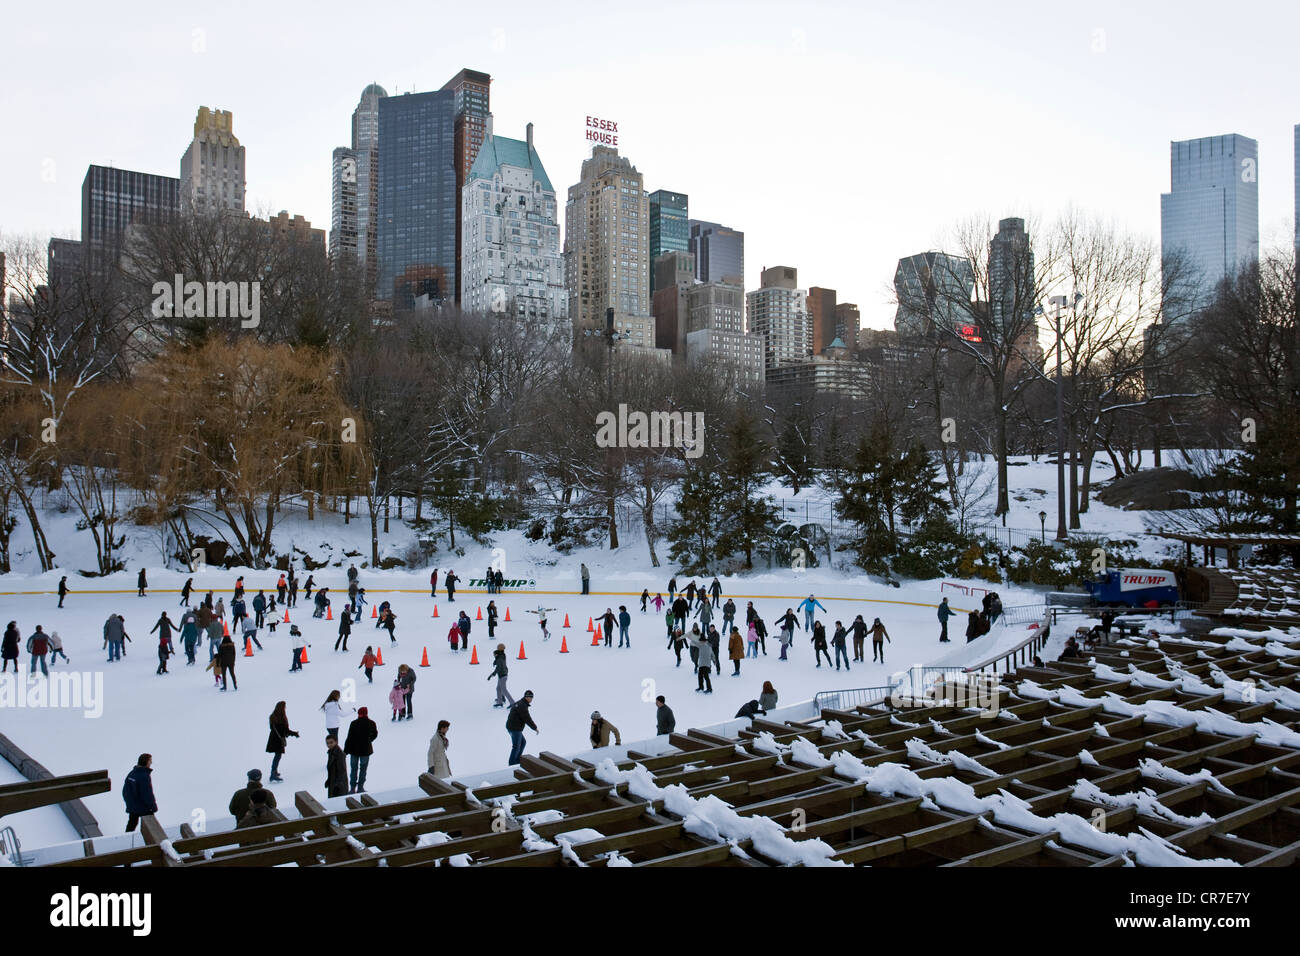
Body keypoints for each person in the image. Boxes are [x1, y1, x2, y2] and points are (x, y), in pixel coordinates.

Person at [264, 702, 299, 783]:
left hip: (273, 738)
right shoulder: (282, 718)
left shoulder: (272, 716)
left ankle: (274, 772)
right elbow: (285, 731)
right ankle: (273, 774)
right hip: (279, 740)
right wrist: (294, 734)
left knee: (277, 756)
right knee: (277, 756)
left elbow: (271, 728)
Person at [122, 754, 156, 832]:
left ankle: (127, 839)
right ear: (146, 762)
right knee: (152, 826)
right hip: (142, 806)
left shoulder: (132, 773)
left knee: (132, 823)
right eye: (150, 760)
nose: (151, 762)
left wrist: (130, 803)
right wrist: (153, 807)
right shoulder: (144, 776)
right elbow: (147, 794)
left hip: (132, 805)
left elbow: (125, 791)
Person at [506, 691, 537, 766]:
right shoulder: (522, 705)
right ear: (527, 697)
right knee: (516, 746)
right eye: (531, 697)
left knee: (522, 743)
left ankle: (516, 760)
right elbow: (527, 719)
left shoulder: (521, 703)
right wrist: (535, 728)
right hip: (514, 728)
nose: (531, 699)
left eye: (532, 698)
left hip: (512, 727)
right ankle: (512, 763)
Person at [488, 643, 514, 708]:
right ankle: (500, 701)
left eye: (494, 655)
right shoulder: (502, 655)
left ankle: (512, 702)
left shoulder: (499, 658)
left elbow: (498, 668)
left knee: (504, 689)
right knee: (498, 688)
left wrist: (492, 674)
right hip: (503, 674)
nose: (493, 656)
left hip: (502, 675)